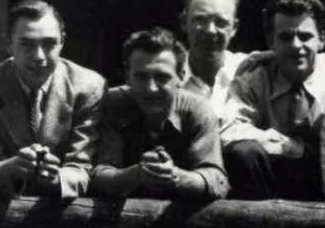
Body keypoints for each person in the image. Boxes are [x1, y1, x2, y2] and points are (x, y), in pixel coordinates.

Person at [0, 0, 104, 198]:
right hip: (3, 209)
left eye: (49, 44)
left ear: (62, 42)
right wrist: (12, 167)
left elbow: (82, 169)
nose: (39, 56)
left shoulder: (89, 88)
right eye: (26, 45)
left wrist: (56, 177)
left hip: (61, 210)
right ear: (8, 45)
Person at [222, 0, 325, 199]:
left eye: (305, 37)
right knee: (244, 152)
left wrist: (300, 149)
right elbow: (229, 130)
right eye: (285, 37)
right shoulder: (254, 78)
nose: (296, 46)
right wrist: (283, 144)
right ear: (271, 41)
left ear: (321, 39)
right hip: (270, 181)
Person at [86, 28, 229, 199]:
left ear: (182, 76)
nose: (151, 88)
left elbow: (216, 180)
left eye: (161, 77)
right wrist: (138, 174)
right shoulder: (113, 104)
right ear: (127, 76)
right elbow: (100, 176)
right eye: (141, 77)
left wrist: (175, 176)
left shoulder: (198, 110)